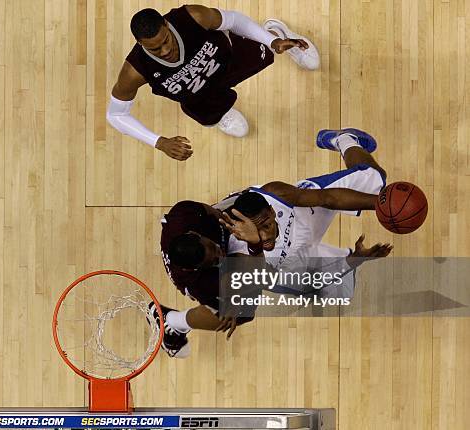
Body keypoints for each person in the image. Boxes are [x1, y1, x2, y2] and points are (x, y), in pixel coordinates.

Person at [155, 128, 393, 358]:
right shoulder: (216, 274)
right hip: (269, 263)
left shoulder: (189, 215)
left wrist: (383, 206)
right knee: (336, 291)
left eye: (216, 248)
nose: (220, 254)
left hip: (301, 220)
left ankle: (344, 139)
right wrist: (353, 260)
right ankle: (172, 321)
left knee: (375, 180)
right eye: (215, 258)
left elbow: (327, 198)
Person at [106, 5, 320, 161]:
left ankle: (278, 33)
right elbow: (115, 115)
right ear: (140, 43)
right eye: (155, 49)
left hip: (228, 61)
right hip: (199, 96)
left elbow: (234, 21)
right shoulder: (134, 71)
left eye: (165, 41)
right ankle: (222, 114)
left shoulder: (193, 17)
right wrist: (160, 142)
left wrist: (271, 41)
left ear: (167, 25)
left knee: (268, 50)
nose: (165, 51)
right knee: (208, 115)